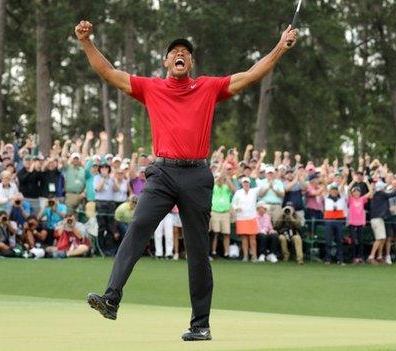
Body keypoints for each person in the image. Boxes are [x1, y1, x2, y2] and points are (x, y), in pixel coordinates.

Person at [76, 18, 298, 340]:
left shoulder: (207, 87)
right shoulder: (151, 87)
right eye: (174, 51)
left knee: (197, 250)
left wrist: (279, 47)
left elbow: (250, 76)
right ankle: (111, 298)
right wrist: (86, 42)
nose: (180, 54)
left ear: (190, 62)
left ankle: (200, 325)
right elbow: (110, 73)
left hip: (196, 174)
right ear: (166, 61)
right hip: (163, 173)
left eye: (186, 52)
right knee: (138, 227)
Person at [367, 181, 396, 264]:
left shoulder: (378, 194)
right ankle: (371, 257)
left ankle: (379, 257)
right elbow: (392, 194)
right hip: (377, 218)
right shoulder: (380, 194)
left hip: (379, 218)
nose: (385, 188)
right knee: (380, 238)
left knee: (382, 238)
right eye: (383, 187)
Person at [232, 177, 261, 262]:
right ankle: (245, 256)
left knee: (252, 239)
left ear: (249, 183)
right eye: (244, 183)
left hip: (252, 217)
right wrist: (237, 208)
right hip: (241, 218)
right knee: (244, 238)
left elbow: (261, 186)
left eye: (247, 182)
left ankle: (254, 256)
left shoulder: (254, 191)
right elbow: (233, 204)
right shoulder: (238, 192)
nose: (246, 184)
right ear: (242, 184)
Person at [209, 171, 235, 258]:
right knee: (215, 233)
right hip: (215, 212)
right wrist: (221, 175)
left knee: (226, 234)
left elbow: (233, 190)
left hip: (225, 212)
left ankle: (226, 253)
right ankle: (213, 252)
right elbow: (217, 182)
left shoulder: (226, 187)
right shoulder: (214, 186)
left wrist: (227, 178)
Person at [347, 181, 372, 264]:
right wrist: (353, 181)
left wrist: (367, 182)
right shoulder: (351, 199)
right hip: (352, 223)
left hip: (360, 223)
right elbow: (348, 190)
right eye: (355, 192)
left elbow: (371, 192)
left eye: (358, 192)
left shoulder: (362, 199)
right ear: (353, 193)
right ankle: (354, 257)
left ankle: (360, 257)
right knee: (353, 241)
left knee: (361, 240)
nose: (356, 193)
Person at [323, 182, 347, 265]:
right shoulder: (326, 197)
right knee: (328, 241)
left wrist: (345, 177)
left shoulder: (342, 198)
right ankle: (328, 259)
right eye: (332, 190)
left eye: (335, 190)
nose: (334, 192)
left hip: (339, 221)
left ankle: (340, 259)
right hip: (329, 220)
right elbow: (324, 186)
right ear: (330, 191)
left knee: (339, 240)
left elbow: (343, 187)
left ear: (337, 191)